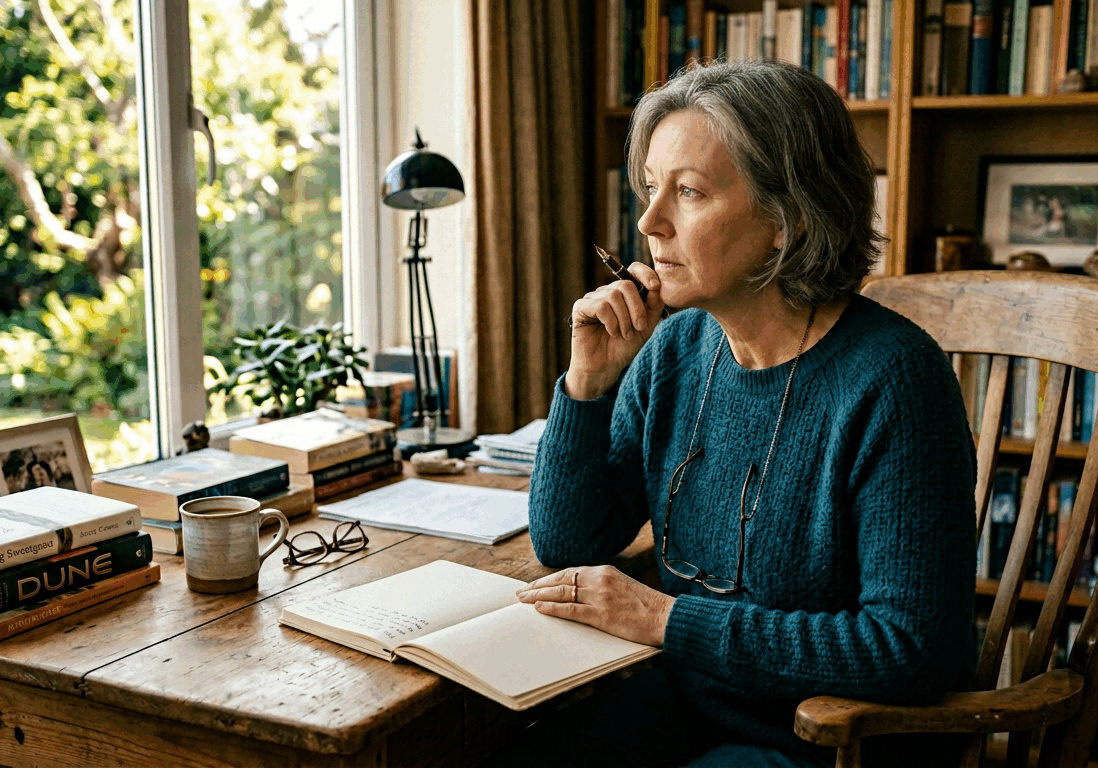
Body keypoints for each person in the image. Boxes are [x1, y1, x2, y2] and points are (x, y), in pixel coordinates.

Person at [483, 61, 976, 768]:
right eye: (652, 189)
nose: (650, 223)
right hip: (693, 704)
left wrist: (666, 620)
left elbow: (908, 651)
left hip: (835, 743)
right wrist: (586, 385)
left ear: (789, 219)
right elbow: (571, 543)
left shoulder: (896, 381)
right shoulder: (677, 348)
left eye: (688, 192)